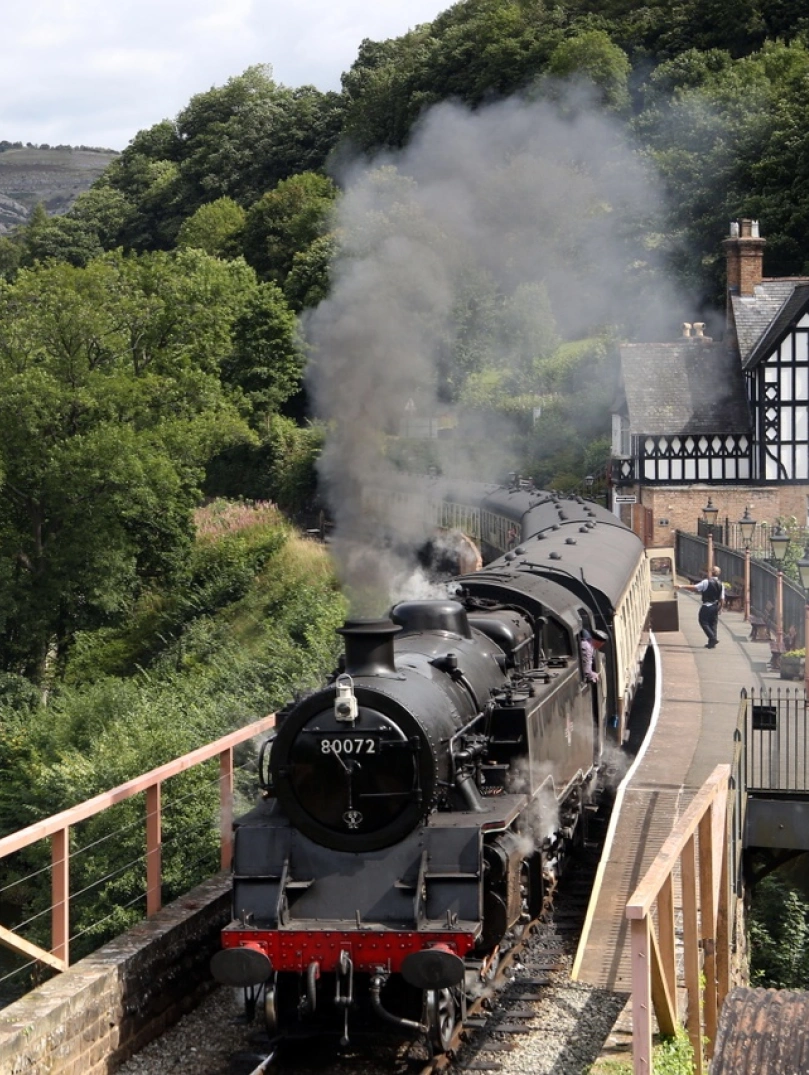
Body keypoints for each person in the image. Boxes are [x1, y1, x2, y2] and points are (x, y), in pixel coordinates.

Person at [675, 566, 725, 648]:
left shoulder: (706, 582)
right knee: (713, 624)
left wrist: (681, 586)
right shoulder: (721, 584)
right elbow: (722, 598)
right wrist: (720, 608)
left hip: (707, 605)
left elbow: (695, 588)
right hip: (715, 605)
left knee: (703, 622)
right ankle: (711, 644)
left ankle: (712, 638)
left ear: (711, 572)